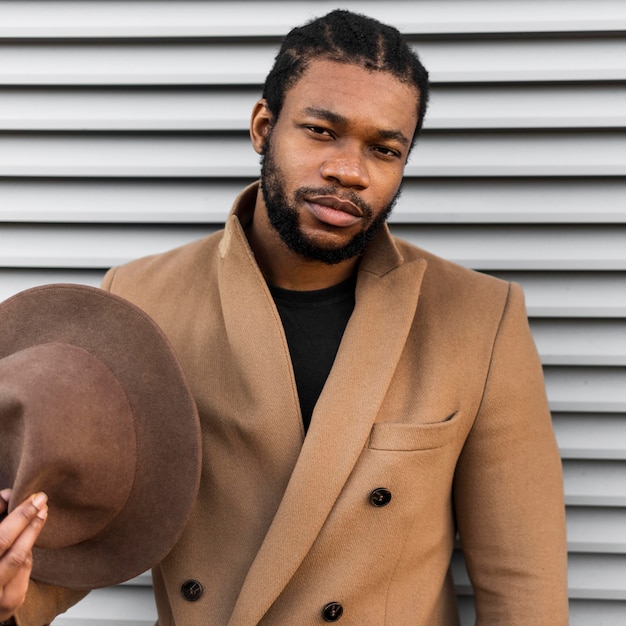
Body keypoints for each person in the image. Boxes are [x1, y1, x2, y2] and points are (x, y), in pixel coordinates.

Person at [1, 9, 568, 625]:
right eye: (322, 131)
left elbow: (524, 589)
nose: (349, 171)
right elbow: (83, 534)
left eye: (384, 149)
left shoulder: (479, 320)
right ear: (263, 126)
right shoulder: (142, 298)